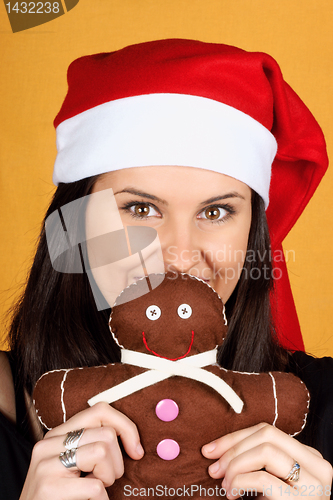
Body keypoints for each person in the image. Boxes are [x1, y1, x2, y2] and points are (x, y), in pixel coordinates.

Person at [0, 39, 332, 500]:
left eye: (215, 212)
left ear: (253, 233)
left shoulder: (323, 406)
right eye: (140, 209)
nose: (178, 258)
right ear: (74, 224)